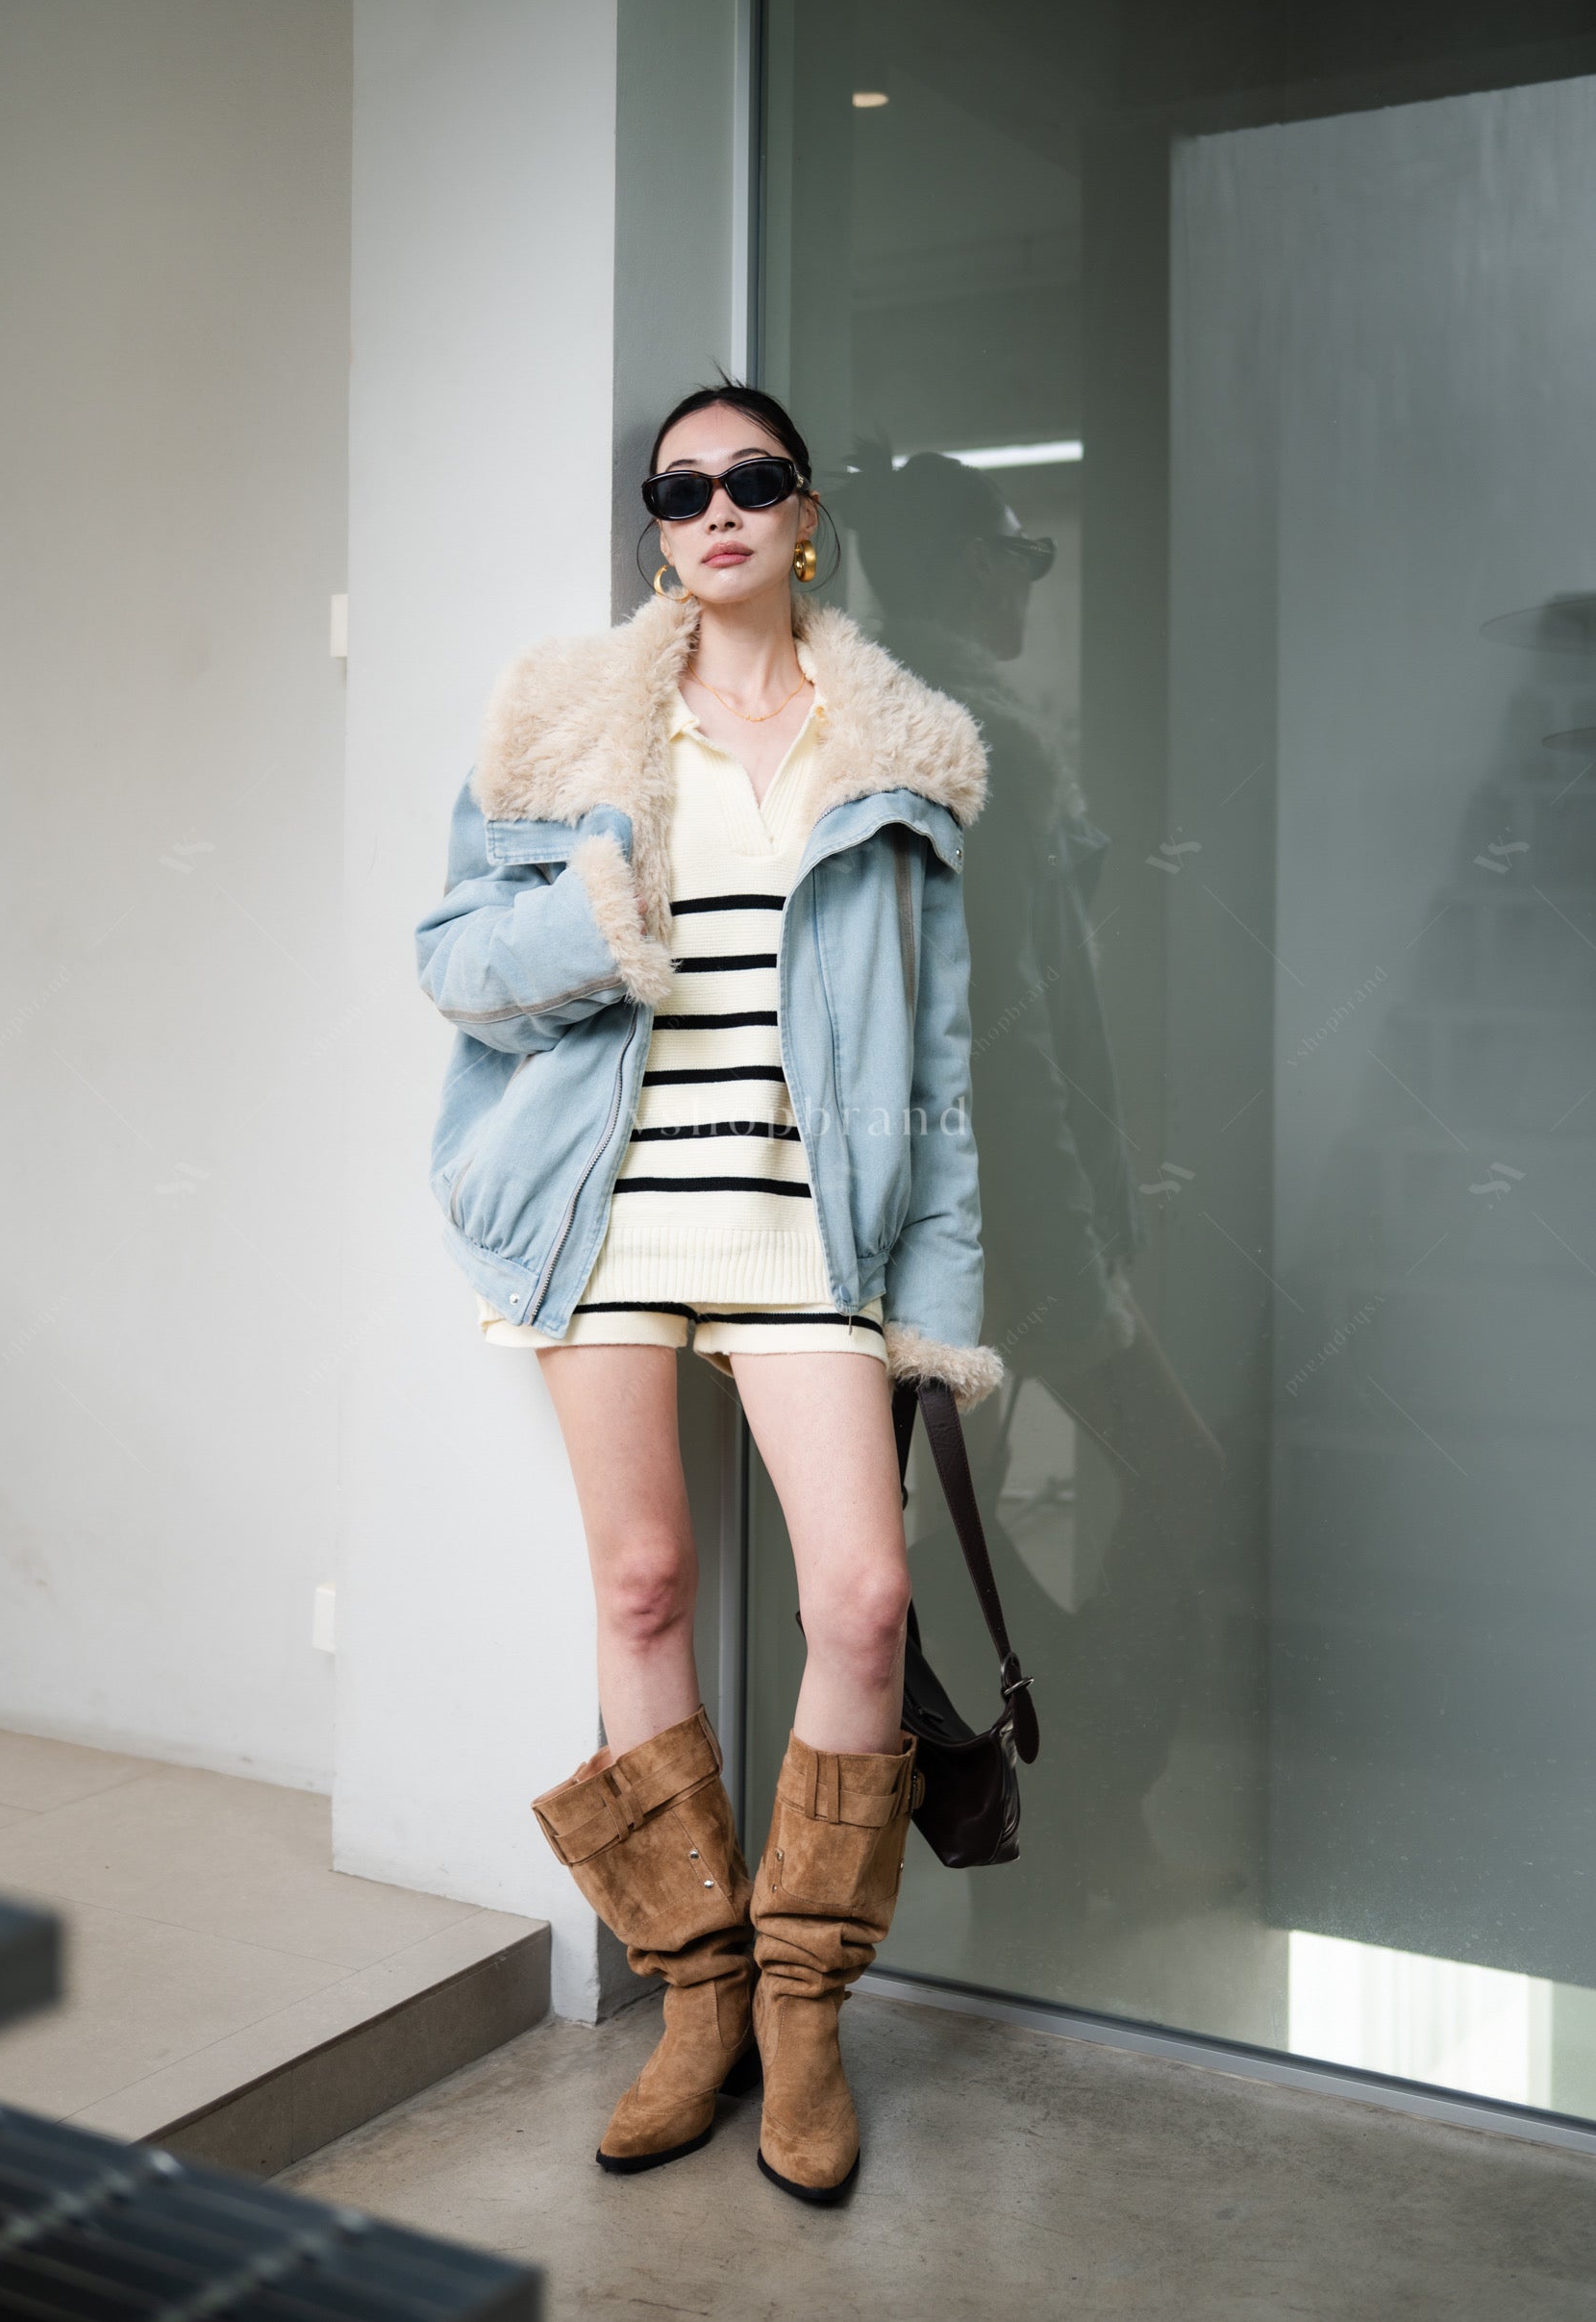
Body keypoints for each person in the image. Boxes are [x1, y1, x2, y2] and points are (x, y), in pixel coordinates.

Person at [413, 385, 1002, 2203]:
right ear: (658, 528)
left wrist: (934, 1306)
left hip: (804, 1224)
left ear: (805, 514)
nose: (718, 508)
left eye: (753, 479)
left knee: (865, 1601)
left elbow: (941, 1067)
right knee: (645, 1582)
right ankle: (700, 1994)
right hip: (604, 1213)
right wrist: (590, 919)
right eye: (683, 489)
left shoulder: (896, 749)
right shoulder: (560, 728)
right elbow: (452, 964)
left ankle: (807, 2006)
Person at [839, 444, 1234, 1934]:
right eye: (1017, 552)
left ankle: (1054, 1837)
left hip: (932, 1223)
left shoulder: (880, 725)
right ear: (967, 565)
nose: (1026, 579)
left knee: (960, 1537)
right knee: (1178, 1477)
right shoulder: (979, 744)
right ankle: (1097, 1811)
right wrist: (1080, 1256)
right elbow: (1014, 1042)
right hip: (1008, 1231)